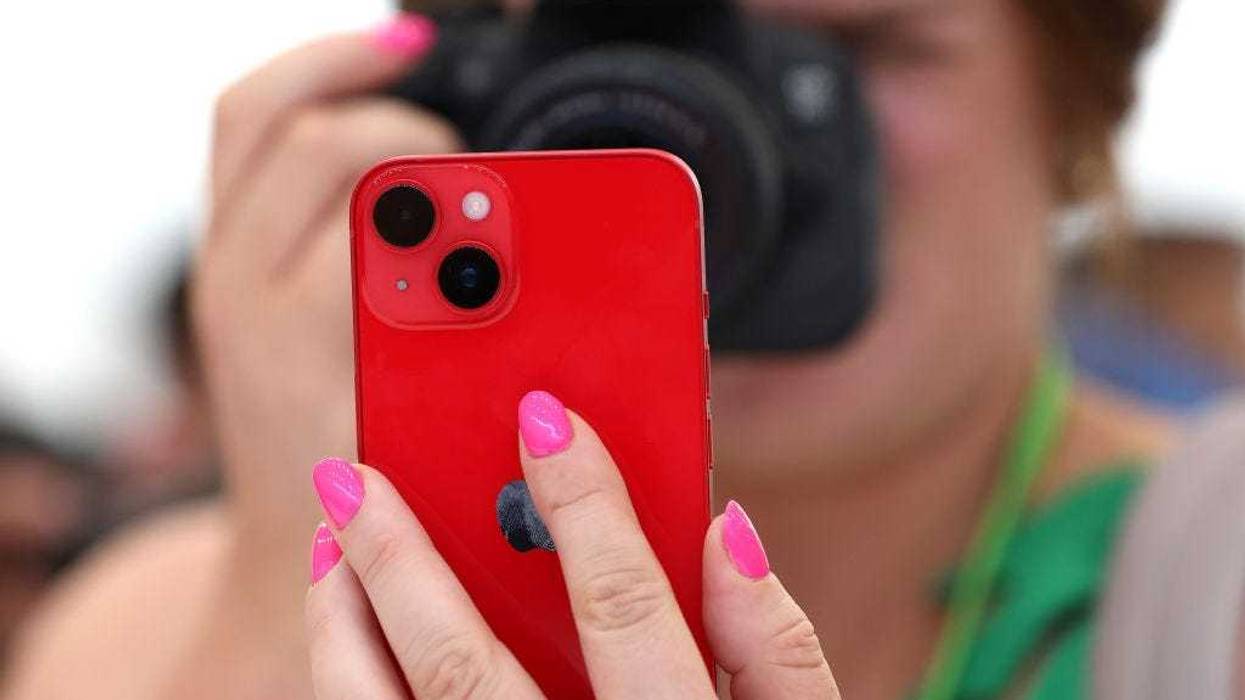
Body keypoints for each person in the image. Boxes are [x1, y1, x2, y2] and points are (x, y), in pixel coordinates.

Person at [3, 1, 1175, 698]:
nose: (711, 140)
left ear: (1079, 111)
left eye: (846, 45)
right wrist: (277, 619)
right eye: (606, 28)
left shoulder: (1211, 597)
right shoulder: (141, 635)